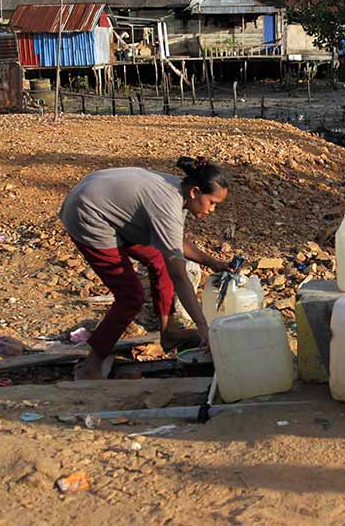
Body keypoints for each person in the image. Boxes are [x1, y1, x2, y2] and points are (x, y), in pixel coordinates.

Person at [60, 156, 231, 380]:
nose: (212, 210)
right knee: (130, 297)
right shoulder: (167, 203)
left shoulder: (179, 192)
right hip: (87, 213)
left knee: (159, 260)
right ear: (195, 192)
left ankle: (168, 332)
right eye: (212, 202)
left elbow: (175, 240)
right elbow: (179, 275)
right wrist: (202, 325)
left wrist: (213, 263)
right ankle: (92, 365)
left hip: (105, 203)